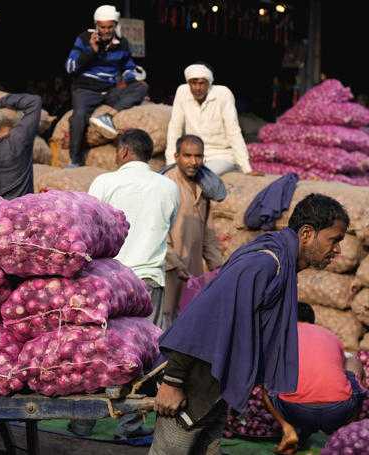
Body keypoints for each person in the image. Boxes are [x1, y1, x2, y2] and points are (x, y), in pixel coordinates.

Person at [150, 193, 350, 455]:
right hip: (192, 388)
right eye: (333, 240)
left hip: (215, 390)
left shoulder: (282, 266)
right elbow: (201, 319)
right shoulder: (264, 264)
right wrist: (172, 383)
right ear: (307, 233)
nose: (337, 250)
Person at [84, 129, 179, 439]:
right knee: (144, 354)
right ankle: (132, 426)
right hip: (148, 278)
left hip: (108, 281)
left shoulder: (105, 182)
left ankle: (81, 421)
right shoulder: (169, 187)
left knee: (94, 347)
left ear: (124, 152)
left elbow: (90, 228)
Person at [262, 302, 366, 454]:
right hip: (340, 409)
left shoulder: (281, 335)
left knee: (266, 384)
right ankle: (347, 435)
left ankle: (288, 429)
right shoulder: (330, 335)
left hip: (294, 409)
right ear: (312, 321)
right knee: (352, 361)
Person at [65, 5, 148, 167]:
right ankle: (75, 160)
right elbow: (70, 67)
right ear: (96, 26)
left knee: (142, 87)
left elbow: (128, 68)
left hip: (109, 90)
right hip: (85, 90)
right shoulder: (84, 39)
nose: (106, 30)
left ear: (115, 25)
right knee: (79, 116)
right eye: (102, 27)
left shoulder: (122, 43)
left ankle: (108, 115)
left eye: (110, 27)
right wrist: (91, 50)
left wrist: (132, 78)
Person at [162, 135, 224, 328]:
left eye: (198, 156)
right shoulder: (166, 184)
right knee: (164, 319)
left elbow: (208, 233)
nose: (193, 161)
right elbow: (158, 230)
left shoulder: (203, 186)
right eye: (187, 156)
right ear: (176, 156)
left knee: (187, 320)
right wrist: (173, 260)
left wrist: (218, 268)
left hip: (192, 270)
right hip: (169, 267)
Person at [166, 63, 256, 176]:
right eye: (193, 83)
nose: (198, 88)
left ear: (209, 83)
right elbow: (174, 129)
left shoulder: (223, 94)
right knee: (173, 176)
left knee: (199, 176)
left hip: (221, 154)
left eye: (202, 83)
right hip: (192, 153)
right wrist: (170, 164)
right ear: (188, 83)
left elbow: (233, 131)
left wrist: (246, 167)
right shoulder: (182, 91)